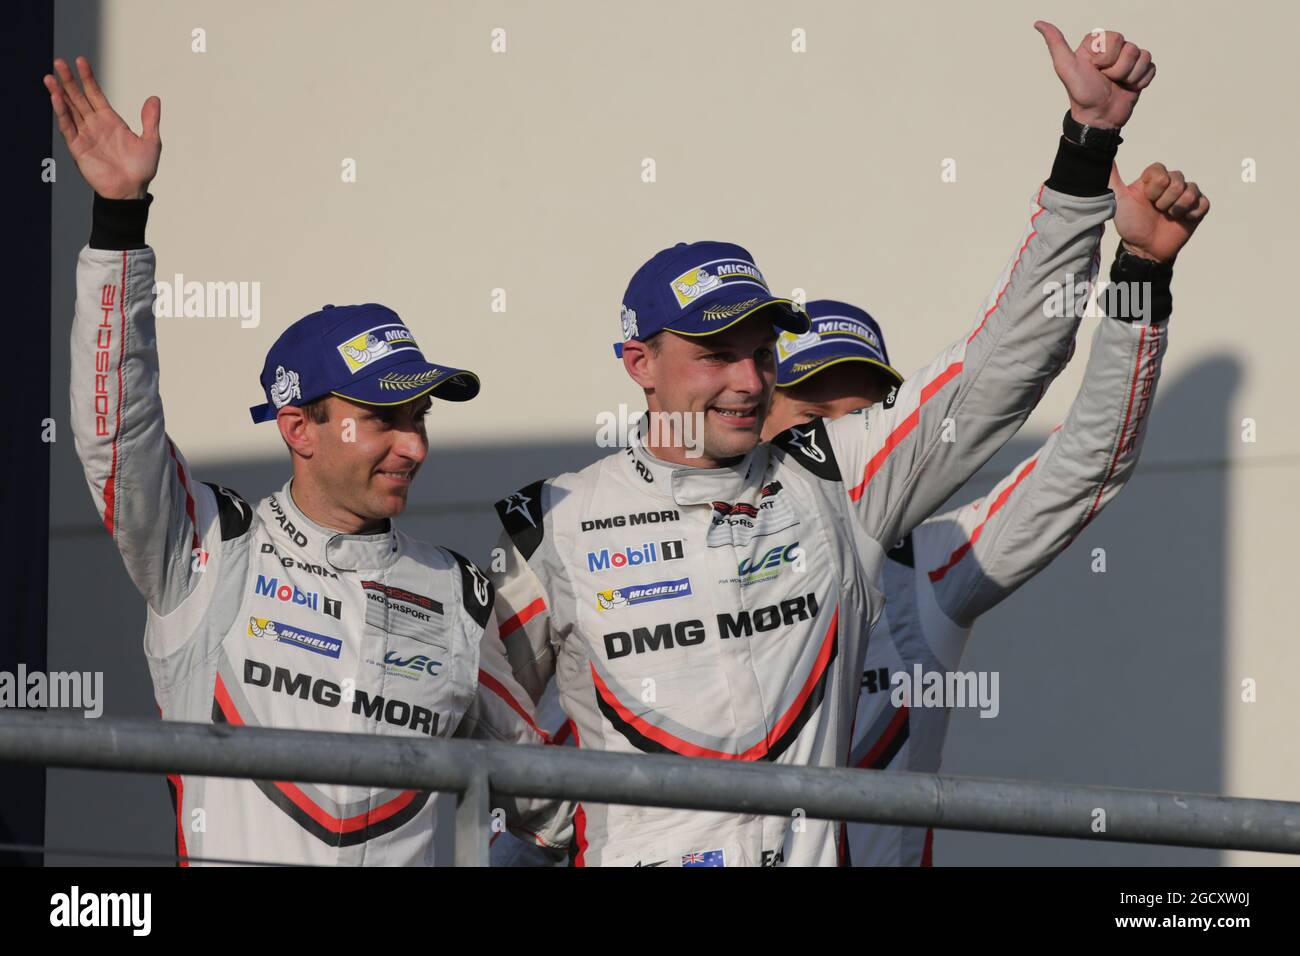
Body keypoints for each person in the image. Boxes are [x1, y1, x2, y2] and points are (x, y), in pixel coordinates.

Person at [485, 23, 1158, 866]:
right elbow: (478, 696)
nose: (746, 380)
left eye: (763, 353)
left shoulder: (836, 480)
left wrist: (1086, 147)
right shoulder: (557, 520)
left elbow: (1007, 364)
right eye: (715, 354)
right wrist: (567, 823)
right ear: (638, 363)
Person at [49, 56, 544, 866]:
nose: (414, 444)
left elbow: (554, 800)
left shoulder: (458, 592)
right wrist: (118, 223)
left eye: (419, 417)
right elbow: (116, 433)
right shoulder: (208, 549)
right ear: (298, 427)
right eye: (383, 417)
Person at [761, 162, 1207, 865]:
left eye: (863, 416)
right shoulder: (663, 546)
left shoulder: (927, 565)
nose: (841, 440)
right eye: (814, 417)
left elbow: (1083, 464)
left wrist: (1142, 275)